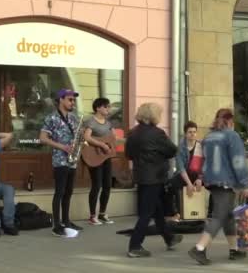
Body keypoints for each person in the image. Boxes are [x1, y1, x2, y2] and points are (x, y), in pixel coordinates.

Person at [188, 108, 248, 265]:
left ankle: (234, 249)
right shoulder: (232, 136)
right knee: (219, 216)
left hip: (211, 181)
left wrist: (201, 177)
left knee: (228, 214)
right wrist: (245, 184)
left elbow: (198, 162)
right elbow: (238, 161)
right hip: (226, 181)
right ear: (230, 121)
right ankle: (199, 248)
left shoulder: (208, 137)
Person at [125, 102, 182, 258]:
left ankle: (169, 238)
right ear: (153, 115)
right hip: (155, 177)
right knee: (147, 213)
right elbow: (172, 150)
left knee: (157, 210)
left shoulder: (133, 133)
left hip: (141, 176)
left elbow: (129, 154)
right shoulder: (157, 133)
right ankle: (135, 246)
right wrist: (158, 155)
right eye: (159, 113)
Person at [39, 88, 84, 237]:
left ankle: (66, 221)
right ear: (61, 100)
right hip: (60, 159)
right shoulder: (51, 118)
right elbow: (43, 138)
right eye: (70, 99)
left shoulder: (73, 118)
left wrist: (79, 142)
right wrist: (62, 147)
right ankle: (56, 225)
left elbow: (78, 136)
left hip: (72, 160)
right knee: (59, 192)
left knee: (69, 192)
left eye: (73, 100)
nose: (73, 102)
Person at [165, 121, 206, 221]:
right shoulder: (181, 148)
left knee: (214, 184)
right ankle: (177, 213)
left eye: (194, 132)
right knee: (172, 185)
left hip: (198, 175)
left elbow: (205, 165)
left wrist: (200, 178)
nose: (192, 134)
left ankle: (210, 213)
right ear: (185, 134)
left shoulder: (201, 146)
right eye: (190, 132)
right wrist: (189, 184)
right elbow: (181, 168)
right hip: (185, 175)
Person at [84, 97, 115, 226]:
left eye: (109, 107)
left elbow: (113, 138)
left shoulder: (108, 123)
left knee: (107, 185)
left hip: (105, 157)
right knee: (96, 185)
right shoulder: (90, 121)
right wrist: (101, 145)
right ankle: (92, 216)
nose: (108, 109)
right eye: (106, 106)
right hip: (94, 156)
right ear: (98, 108)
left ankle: (102, 213)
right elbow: (86, 137)